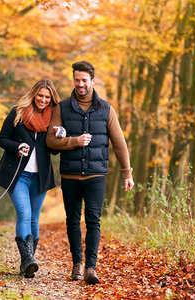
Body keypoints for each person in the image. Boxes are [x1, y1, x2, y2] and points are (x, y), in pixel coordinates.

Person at [46, 61, 134, 285]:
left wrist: (127, 173)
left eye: (85, 80)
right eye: (77, 80)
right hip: (70, 176)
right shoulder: (62, 108)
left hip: (96, 176)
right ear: (73, 80)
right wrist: (74, 141)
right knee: (72, 221)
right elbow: (50, 140)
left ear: (92, 81)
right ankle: (77, 263)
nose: (81, 84)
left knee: (93, 221)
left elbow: (119, 143)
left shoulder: (106, 109)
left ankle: (91, 268)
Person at [0, 78, 61, 278]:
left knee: (34, 217)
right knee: (24, 214)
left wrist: (59, 135)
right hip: (18, 175)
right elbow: (2, 139)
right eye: (40, 95)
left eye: (47, 97)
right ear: (33, 94)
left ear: (51, 99)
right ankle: (27, 260)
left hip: (39, 177)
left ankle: (28, 262)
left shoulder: (54, 119)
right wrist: (17, 147)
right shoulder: (18, 113)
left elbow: (55, 151)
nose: (43, 100)